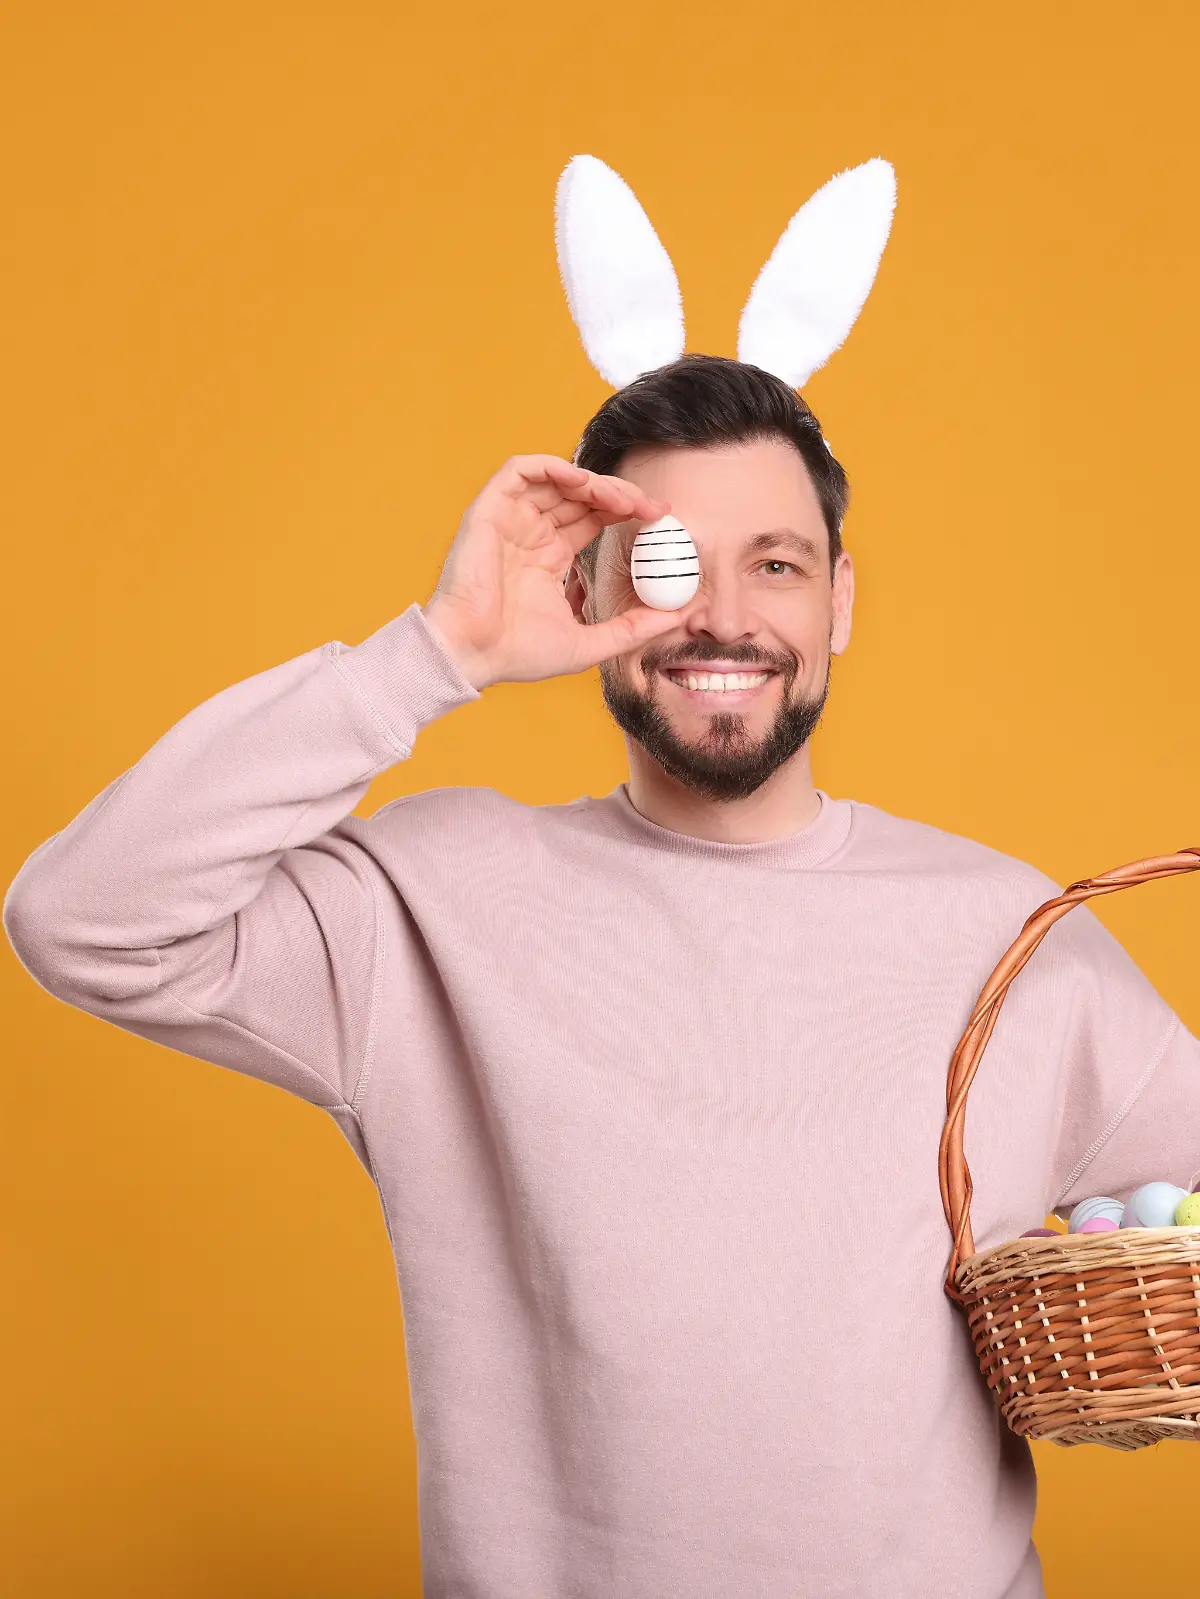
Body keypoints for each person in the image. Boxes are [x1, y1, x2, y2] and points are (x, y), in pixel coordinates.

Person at [6, 350, 1200, 1599]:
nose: (724, 618)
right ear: (585, 590)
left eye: (776, 565)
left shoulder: (1009, 931)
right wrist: (438, 650)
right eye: (668, 564)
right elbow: (84, 919)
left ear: (839, 600)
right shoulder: (434, 903)